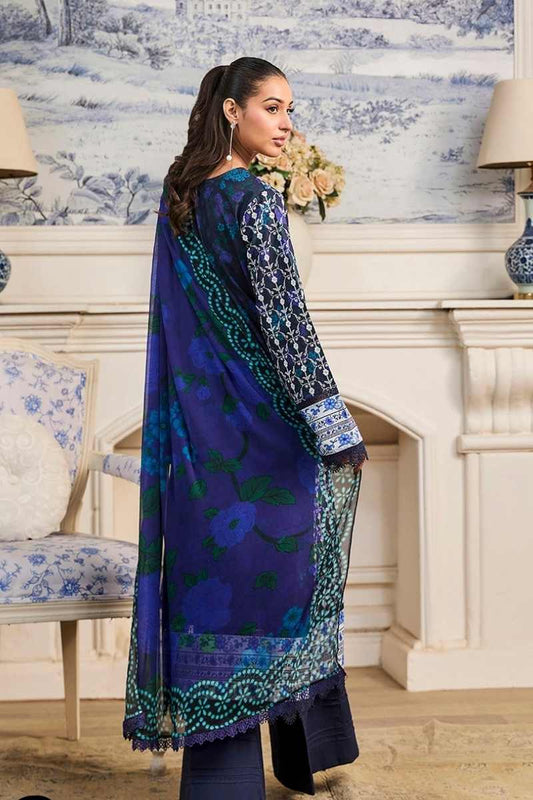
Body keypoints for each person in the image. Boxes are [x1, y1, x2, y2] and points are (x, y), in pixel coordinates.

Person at [122, 56, 368, 798]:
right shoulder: (255, 201)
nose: (286, 122)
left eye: (289, 108)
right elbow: (287, 326)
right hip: (264, 433)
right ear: (231, 111)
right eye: (271, 106)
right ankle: (296, 757)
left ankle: (246, 771)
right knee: (282, 583)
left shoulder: (180, 197)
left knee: (219, 582)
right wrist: (334, 428)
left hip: (200, 435)